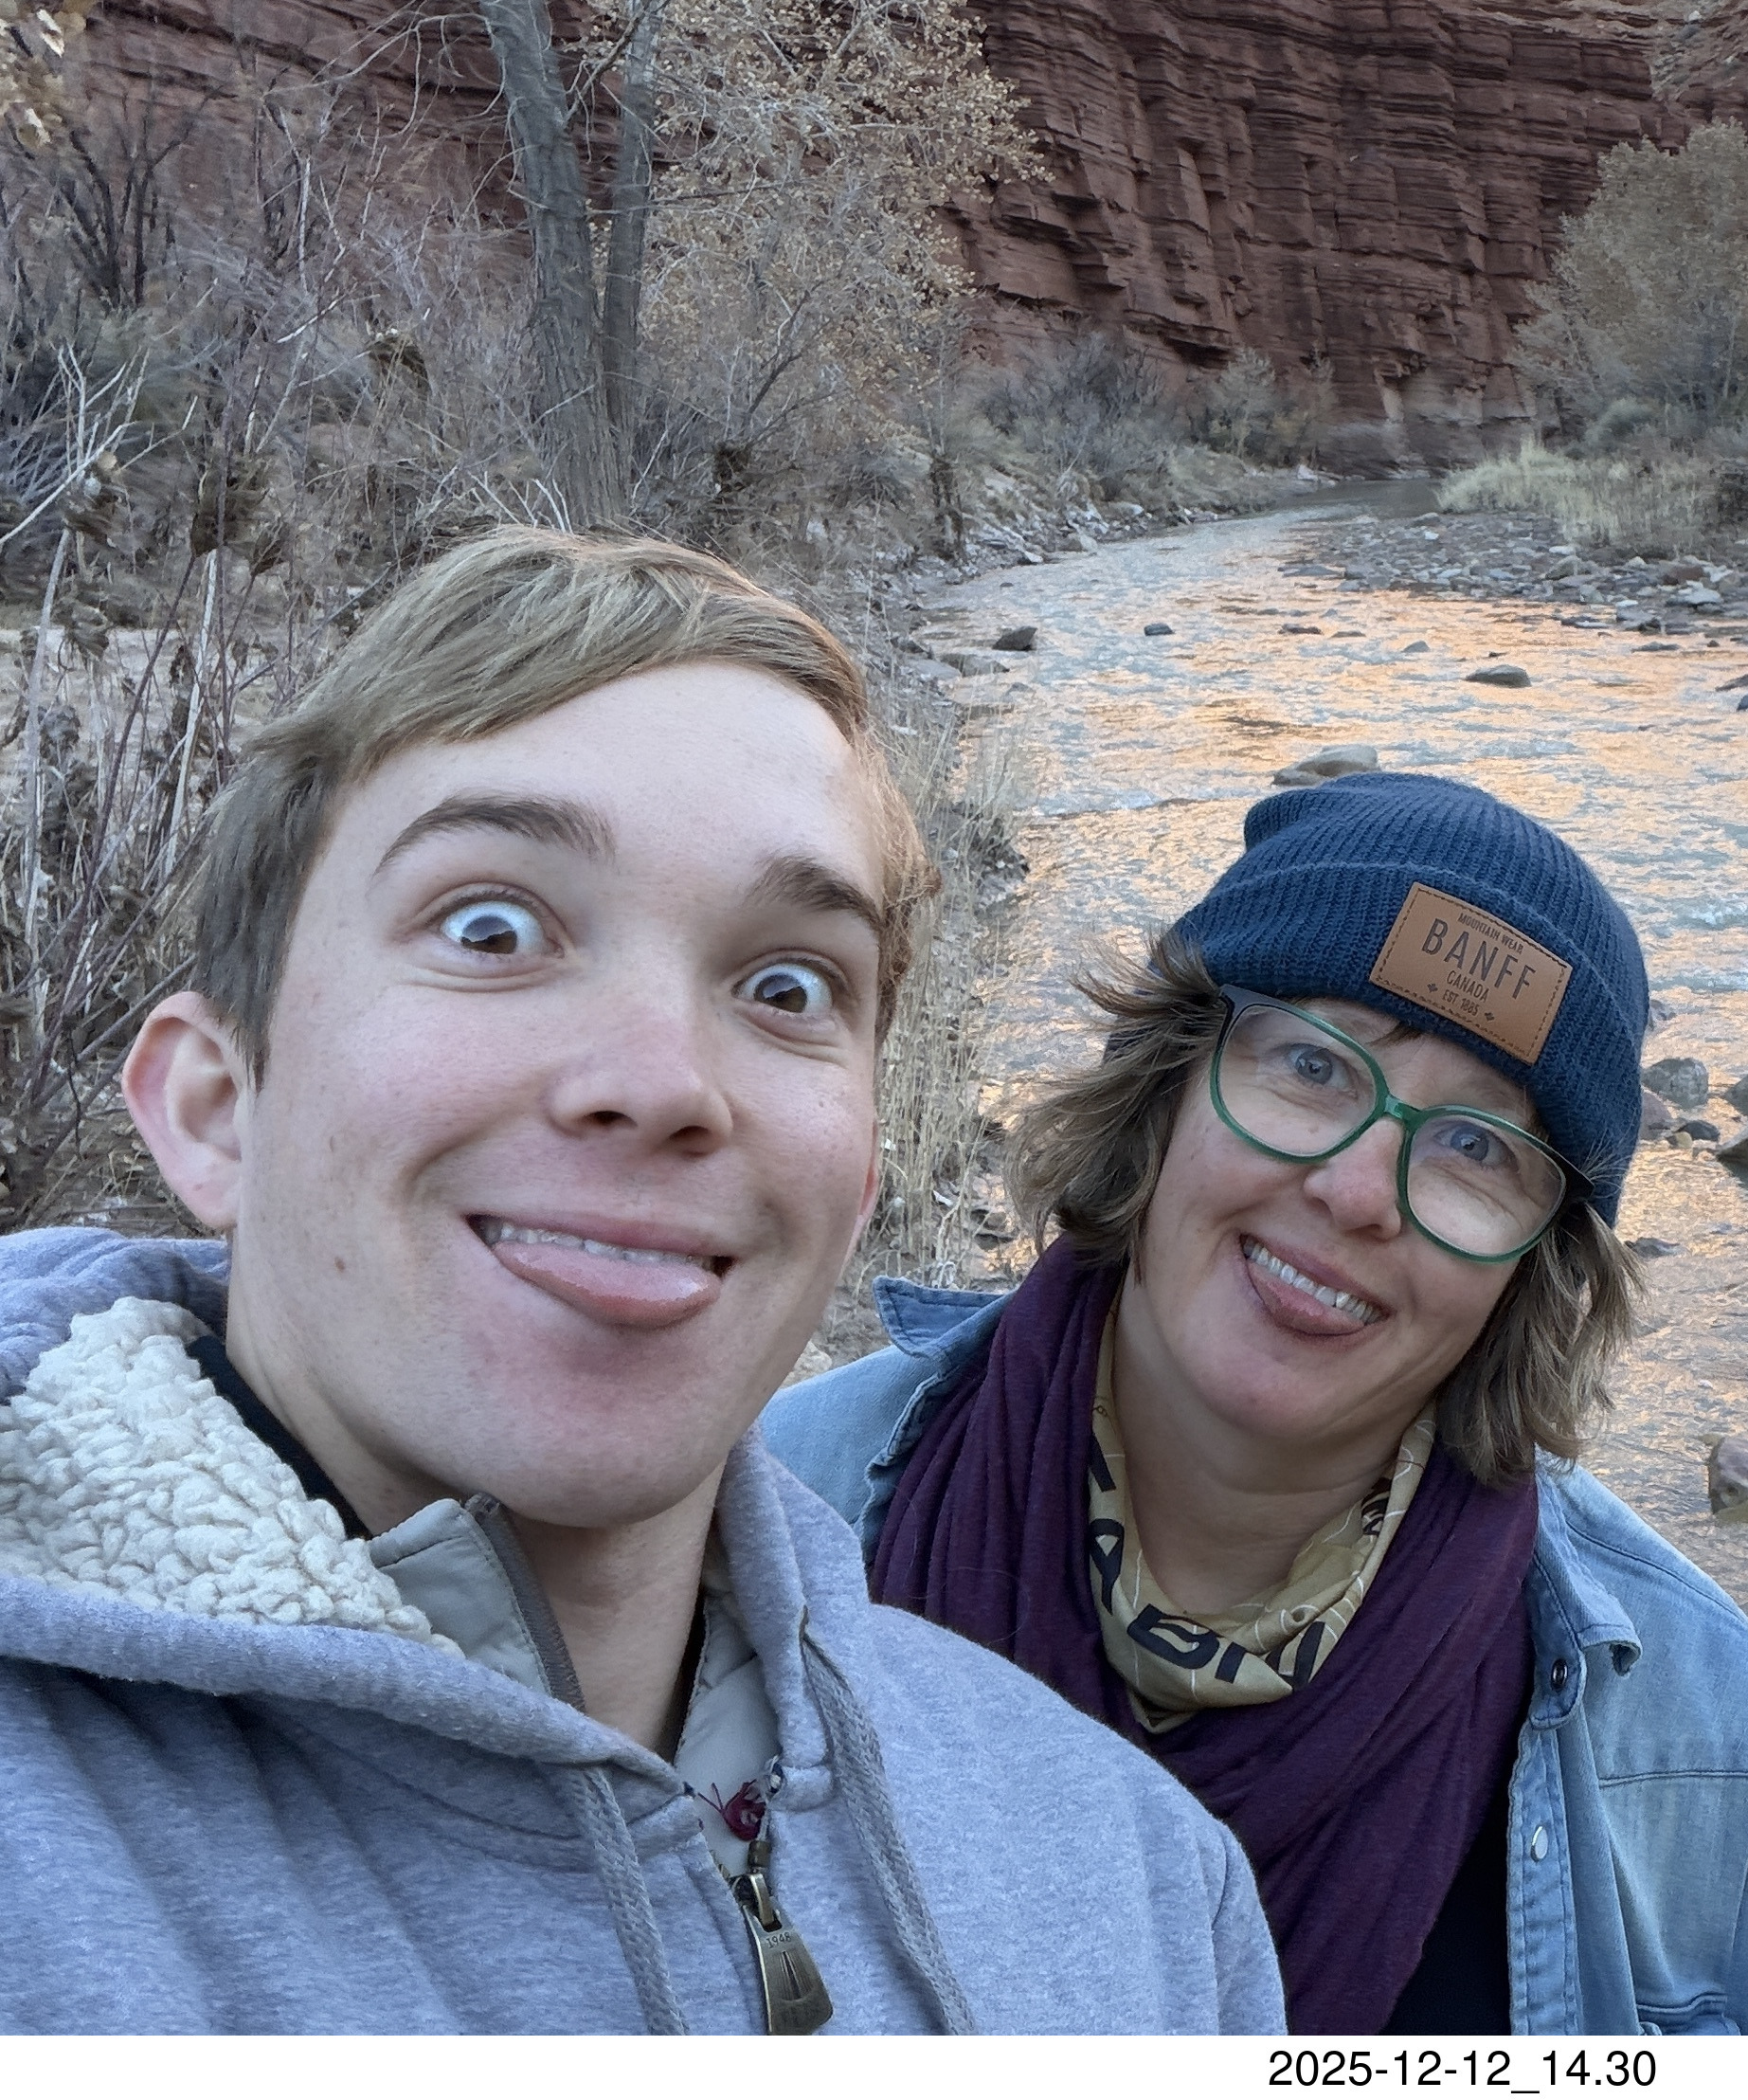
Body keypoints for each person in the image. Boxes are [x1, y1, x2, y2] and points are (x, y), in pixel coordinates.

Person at [0, 529, 1282, 2035]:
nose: (666, 1081)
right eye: (492, 928)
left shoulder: (1138, 1881)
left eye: (787, 985)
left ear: (857, 1189)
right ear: (216, 1106)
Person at [763, 771, 1748, 2035]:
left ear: (1532, 1270)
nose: (1356, 1192)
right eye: (1312, 1065)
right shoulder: (770, 1517)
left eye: (1476, 1147)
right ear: (1164, 1086)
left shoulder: (1694, 1716)